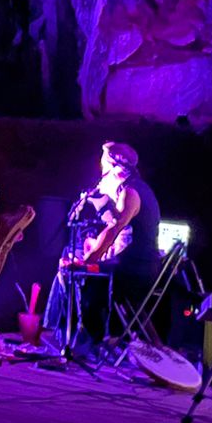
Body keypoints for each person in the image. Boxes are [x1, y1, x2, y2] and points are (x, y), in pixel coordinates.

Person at [62, 140, 163, 349]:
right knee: (77, 263)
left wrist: (88, 261)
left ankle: (86, 339)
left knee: (72, 271)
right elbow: (122, 232)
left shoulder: (131, 193)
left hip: (135, 271)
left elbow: (114, 230)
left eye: (104, 165)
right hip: (137, 266)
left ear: (115, 167)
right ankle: (88, 337)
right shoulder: (136, 189)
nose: (101, 170)